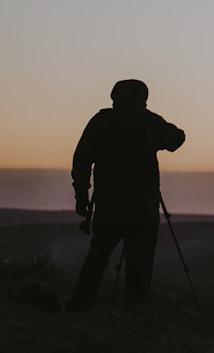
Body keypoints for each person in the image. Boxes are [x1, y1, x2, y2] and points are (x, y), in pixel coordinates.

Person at [66, 79, 185, 312]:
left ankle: (79, 307)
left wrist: (81, 196)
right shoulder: (147, 121)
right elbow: (177, 138)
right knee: (140, 266)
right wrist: (150, 129)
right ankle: (135, 313)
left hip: (109, 206)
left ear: (114, 96)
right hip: (144, 208)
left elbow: (81, 161)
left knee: (97, 259)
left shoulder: (101, 121)